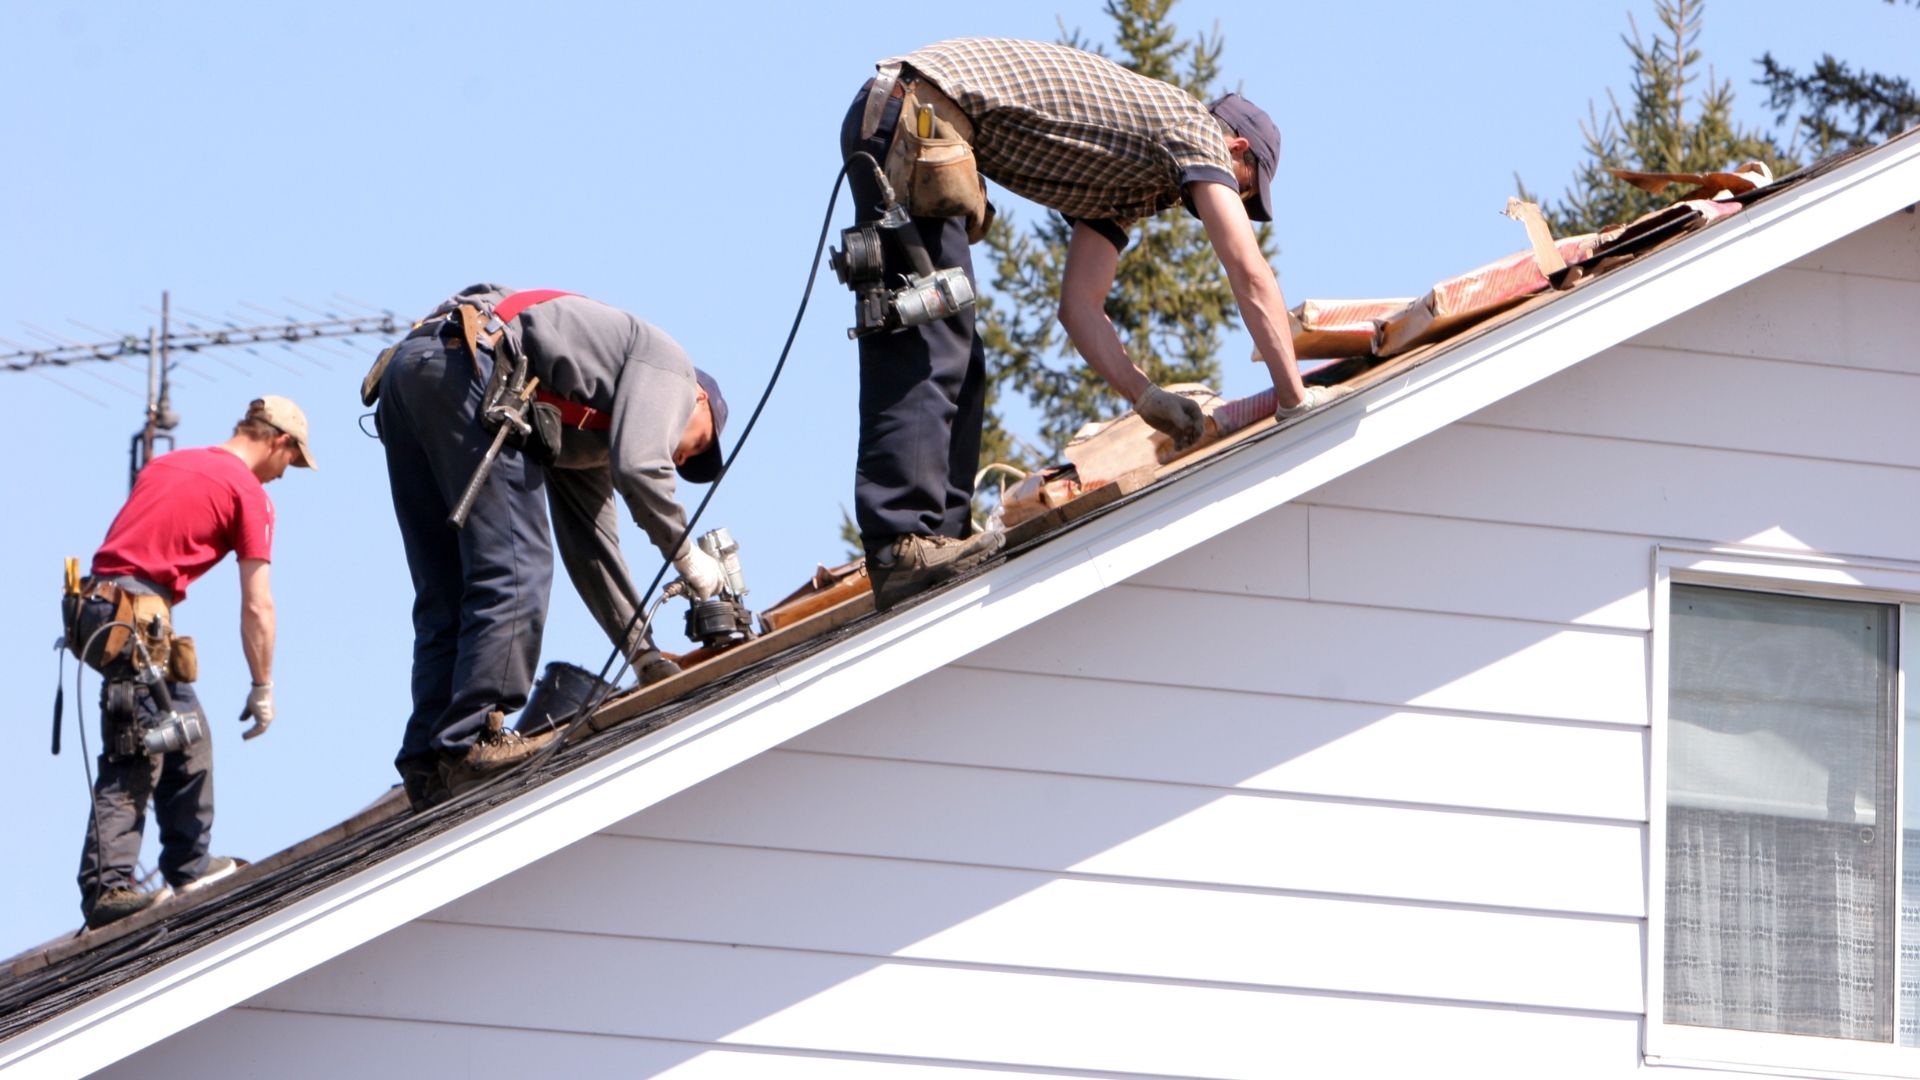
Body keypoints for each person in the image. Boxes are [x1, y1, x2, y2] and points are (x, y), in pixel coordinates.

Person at [840, 38, 1344, 609]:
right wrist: (1294, 399)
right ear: (1237, 146)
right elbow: (1248, 271)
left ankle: (937, 540)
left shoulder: (1124, 184)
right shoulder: (1194, 128)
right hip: (914, 113)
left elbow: (1079, 307)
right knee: (929, 330)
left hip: (917, 118)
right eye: (1243, 186)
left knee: (957, 346)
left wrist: (1145, 396)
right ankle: (903, 546)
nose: (1229, 199)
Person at [374, 286, 726, 811]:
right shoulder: (672, 368)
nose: (680, 456)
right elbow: (641, 469)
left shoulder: (587, 429)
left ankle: (429, 763)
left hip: (415, 372)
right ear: (699, 398)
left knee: (450, 589)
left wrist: (643, 654)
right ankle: (473, 740)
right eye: (697, 441)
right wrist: (687, 557)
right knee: (517, 569)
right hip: (470, 365)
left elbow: (592, 547)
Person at [66, 396, 313, 929]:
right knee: (139, 747)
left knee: (187, 731)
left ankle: (189, 864)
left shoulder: (170, 464)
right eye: (289, 463)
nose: (282, 477)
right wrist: (262, 684)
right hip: (134, 616)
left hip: (101, 606)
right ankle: (108, 889)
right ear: (280, 441)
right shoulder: (247, 492)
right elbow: (257, 604)